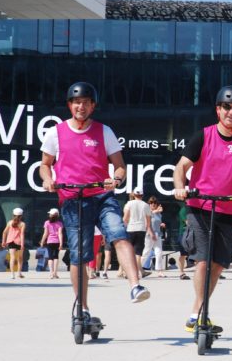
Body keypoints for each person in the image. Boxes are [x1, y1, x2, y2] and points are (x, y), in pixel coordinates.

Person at [39, 81, 151, 320]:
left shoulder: (104, 131)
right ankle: (82, 308)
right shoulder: (55, 132)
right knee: (79, 254)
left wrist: (116, 180)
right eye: (76, 102)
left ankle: (135, 286)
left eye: (86, 103)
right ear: (70, 105)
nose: (81, 107)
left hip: (101, 196)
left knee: (119, 234)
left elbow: (120, 166)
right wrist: (48, 180)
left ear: (93, 106)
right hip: (72, 199)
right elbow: (45, 165)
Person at [173, 85, 232, 333]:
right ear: (218, 110)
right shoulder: (203, 136)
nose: (230, 112)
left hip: (231, 209)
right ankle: (198, 314)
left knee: (219, 264)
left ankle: (199, 310)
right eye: (226, 107)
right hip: (200, 206)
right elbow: (181, 167)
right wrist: (180, 188)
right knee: (203, 260)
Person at [123, 189, 153, 278]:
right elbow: (148, 220)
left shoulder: (129, 203)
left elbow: (125, 218)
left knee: (129, 251)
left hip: (130, 228)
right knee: (138, 252)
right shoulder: (145, 205)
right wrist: (147, 228)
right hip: (141, 229)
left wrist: (125, 225)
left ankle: (127, 272)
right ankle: (139, 271)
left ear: (134, 195)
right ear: (142, 195)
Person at [142, 196, 166, 277]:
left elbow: (156, 222)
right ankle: (138, 267)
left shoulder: (159, 214)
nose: (153, 204)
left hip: (157, 234)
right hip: (149, 234)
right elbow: (147, 220)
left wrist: (161, 224)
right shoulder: (148, 212)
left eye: (155, 203)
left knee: (159, 252)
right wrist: (157, 211)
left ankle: (159, 270)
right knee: (146, 252)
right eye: (151, 203)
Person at [1, 207, 26, 280]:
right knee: (20, 258)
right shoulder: (22, 224)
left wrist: (3, 241)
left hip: (10, 241)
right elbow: (22, 234)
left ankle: (12, 274)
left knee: (12, 257)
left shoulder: (9, 222)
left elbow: (4, 232)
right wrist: (22, 244)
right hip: (19, 241)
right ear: (21, 216)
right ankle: (19, 273)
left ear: (13, 215)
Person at [40, 208, 64, 278]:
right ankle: (55, 273)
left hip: (49, 241)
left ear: (50, 215)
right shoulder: (60, 223)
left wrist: (42, 241)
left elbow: (45, 233)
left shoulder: (47, 222)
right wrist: (61, 243)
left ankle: (51, 273)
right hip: (57, 242)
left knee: (50, 257)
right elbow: (60, 234)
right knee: (56, 256)